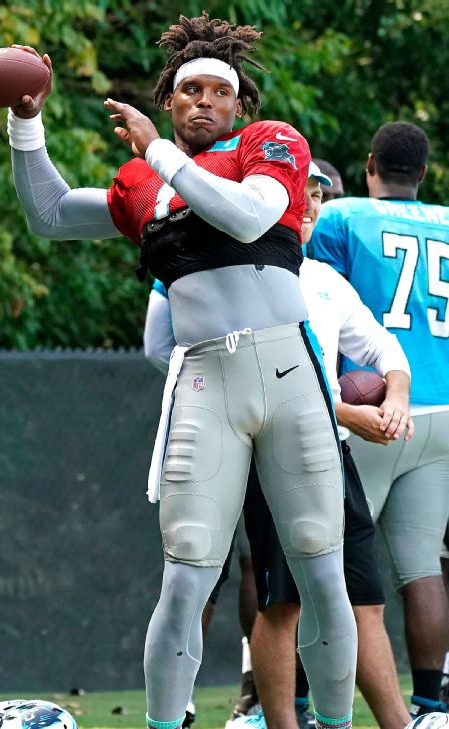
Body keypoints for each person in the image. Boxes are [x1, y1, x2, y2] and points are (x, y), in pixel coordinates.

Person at [5, 13, 358, 729]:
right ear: (169, 99)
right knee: (184, 572)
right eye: (187, 90)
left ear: (236, 104)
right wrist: (24, 124)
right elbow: (48, 213)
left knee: (322, 569)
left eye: (214, 91)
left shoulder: (270, 141)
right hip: (205, 380)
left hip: (289, 373)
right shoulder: (143, 181)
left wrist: (161, 153)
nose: (201, 100)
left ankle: (336, 723)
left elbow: (249, 217)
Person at [147, 163, 412, 729]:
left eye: (318, 195)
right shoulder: (227, 265)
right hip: (268, 453)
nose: (310, 203)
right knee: (279, 603)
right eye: (299, 192)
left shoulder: (326, 279)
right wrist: (343, 410)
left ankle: (397, 723)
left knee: (360, 598)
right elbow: (174, 352)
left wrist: (394, 396)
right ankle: (275, 721)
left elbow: (383, 348)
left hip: (332, 456)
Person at [308, 121, 449, 716]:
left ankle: (305, 703)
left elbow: (314, 297)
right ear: (422, 173)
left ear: (369, 166)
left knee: (322, 565)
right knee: (421, 567)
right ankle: (428, 706)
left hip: (369, 410)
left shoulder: (344, 218)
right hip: (441, 412)